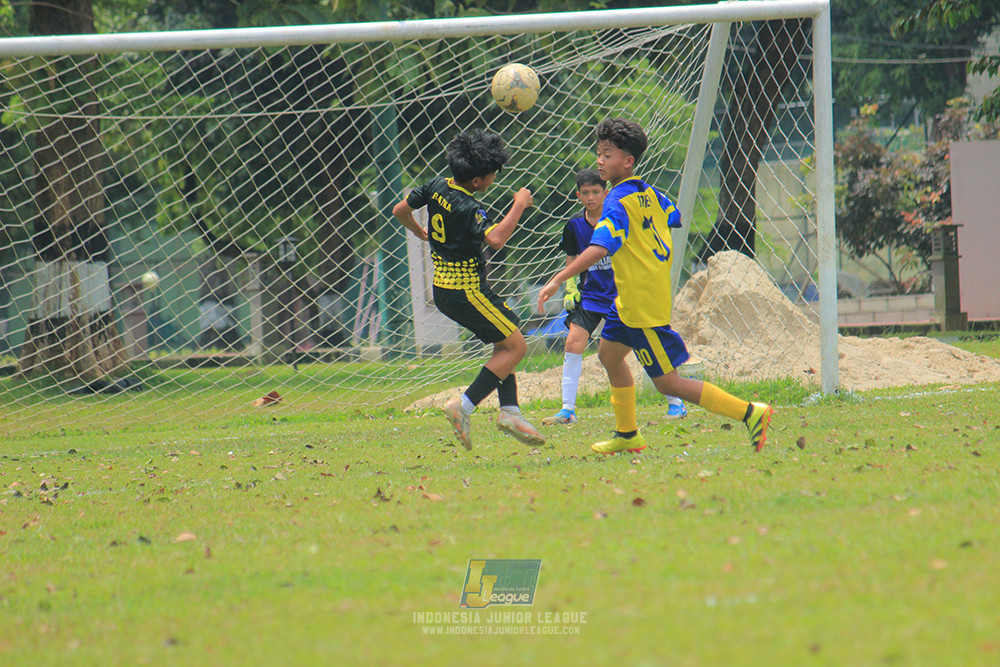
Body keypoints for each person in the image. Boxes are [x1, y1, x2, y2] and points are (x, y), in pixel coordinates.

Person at [537, 118, 772, 454]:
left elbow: (600, 247)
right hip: (628, 301)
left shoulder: (615, 202)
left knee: (668, 382)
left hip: (643, 305)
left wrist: (558, 278)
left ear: (628, 161)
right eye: (599, 154)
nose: (599, 160)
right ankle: (628, 434)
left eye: (607, 154)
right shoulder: (652, 192)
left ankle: (750, 413)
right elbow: (672, 215)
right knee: (609, 354)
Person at [393, 129, 545, 451]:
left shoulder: (436, 186)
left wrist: (419, 230)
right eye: (493, 174)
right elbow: (496, 239)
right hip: (466, 290)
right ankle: (463, 406)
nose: (494, 178)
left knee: (505, 337)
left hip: (444, 288)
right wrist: (519, 204)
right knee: (517, 347)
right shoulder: (470, 207)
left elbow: (399, 210)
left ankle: (510, 411)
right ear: (478, 180)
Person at [542, 168, 686, 425]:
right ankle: (567, 409)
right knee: (573, 342)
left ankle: (676, 402)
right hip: (591, 296)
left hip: (623, 294)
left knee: (645, 347)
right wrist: (570, 287)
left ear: (605, 193)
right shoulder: (574, 225)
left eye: (595, 192)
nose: (590, 197)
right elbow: (572, 257)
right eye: (585, 193)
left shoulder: (620, 215)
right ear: (578, 196)